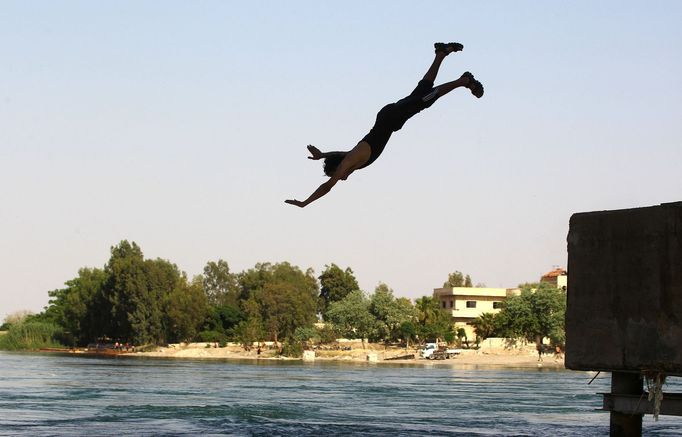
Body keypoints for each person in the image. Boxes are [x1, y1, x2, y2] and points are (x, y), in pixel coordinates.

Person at [285, 42, 484, 208]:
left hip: (391, 118)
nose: (342, 178)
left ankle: (463, 80)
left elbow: (327, 187)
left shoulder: (347, 163)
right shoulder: (352, 160)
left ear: (338, 169)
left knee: (427, 98)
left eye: (338, 174)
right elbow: (341, 154)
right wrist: (323, 155)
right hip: (388, 117)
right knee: (422, 91)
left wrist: (305, 202)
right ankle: (441, 53)